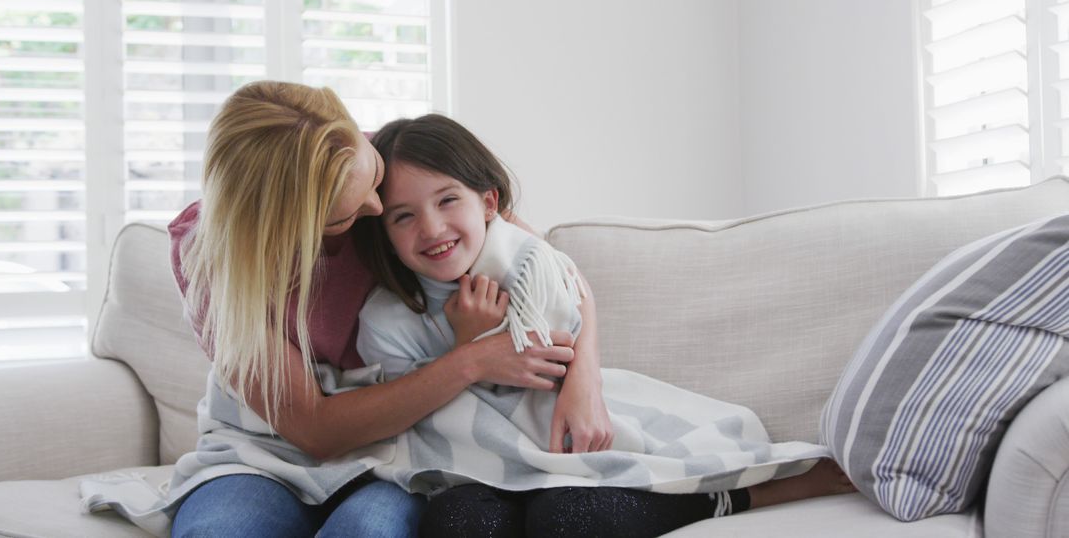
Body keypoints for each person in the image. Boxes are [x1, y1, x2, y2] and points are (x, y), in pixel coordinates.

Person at [353, 113, 856, 538]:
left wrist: (558, 371)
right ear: (383, 230)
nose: (433, 229)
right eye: (404, 217)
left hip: (560, 441)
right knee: (461, 523)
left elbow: (555, 348)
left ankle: (737, 496)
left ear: (487, 203)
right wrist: (467, 348)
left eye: (447, 201)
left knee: (568, 518)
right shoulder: (386, 318)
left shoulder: (526, 266)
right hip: (472, 467)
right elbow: (410, 418)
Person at [165, 81, 589, 538]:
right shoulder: (208, 256)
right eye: (344, 217)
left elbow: (554, 272)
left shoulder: (375, 159)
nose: (377, 204)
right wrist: (471, 360)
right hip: (263, 448)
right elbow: (316, 431)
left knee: (367, 531)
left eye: (373, 176)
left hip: (397, 448)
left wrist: (584, 385)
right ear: (288, 224)